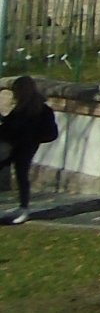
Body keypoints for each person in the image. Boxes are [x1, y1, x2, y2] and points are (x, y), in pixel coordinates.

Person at [0, 76, 58, 224]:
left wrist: (32, 138)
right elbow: (9, 127)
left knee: (21, 174)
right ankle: (22, 207)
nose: (14, 94)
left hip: (23, 147)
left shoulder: (40, 110)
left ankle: (24, 208)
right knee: (20, 175)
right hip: (14, 146)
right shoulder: (22, 108)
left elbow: (51, 133)